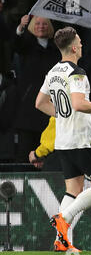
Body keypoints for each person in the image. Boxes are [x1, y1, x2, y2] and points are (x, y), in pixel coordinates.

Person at [35, 26, 91, 252]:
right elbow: (78, 104)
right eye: (80, 42)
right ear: (74, 47)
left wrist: (61, 115)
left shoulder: (53, 72)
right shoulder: (77, 73)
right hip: (82, 139)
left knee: (72, 189)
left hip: (63, 141)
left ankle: (61, 241)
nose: (82, 45)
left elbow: (40, 103)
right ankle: (64, 217)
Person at [13, 15, 59, 163]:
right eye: (37, 23)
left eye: (45, 23)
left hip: (50, 108)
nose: (41, 26)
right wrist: (21, 27)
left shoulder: (56, 48)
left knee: (49, 155)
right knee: (24, 154)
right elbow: (16, 44)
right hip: (29, 108)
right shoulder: (27, 45)